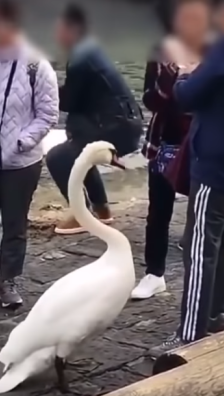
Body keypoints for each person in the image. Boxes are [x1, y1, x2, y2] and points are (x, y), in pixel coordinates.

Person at [149, 0, 224, 354]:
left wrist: (185, 71)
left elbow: (185, 96)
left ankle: (188, 334)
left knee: (199, 248)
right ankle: (218, 314)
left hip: (216, 165)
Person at [0, 0, 59, 308]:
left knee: (14, 224)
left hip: (20, 162)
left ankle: (8, 280)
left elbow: (48, 114)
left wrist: (22, 141)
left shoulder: (36, 65)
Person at [132, 0, 212, 300]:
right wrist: (171, 76)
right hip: (165, 142)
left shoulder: (217, 52)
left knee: (205, 211)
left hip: (203, 142)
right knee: (158, 210)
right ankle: (154, 273)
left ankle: (216, 271)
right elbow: (150, 100)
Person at [47, 3, 144, 235]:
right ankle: (102, 212)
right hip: (125, 123)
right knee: (78, 148)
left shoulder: (81, 57)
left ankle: (82, 214)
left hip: (117, 127)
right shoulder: (89, 50)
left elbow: (69, 102)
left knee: (58, 157)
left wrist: (45, 86)